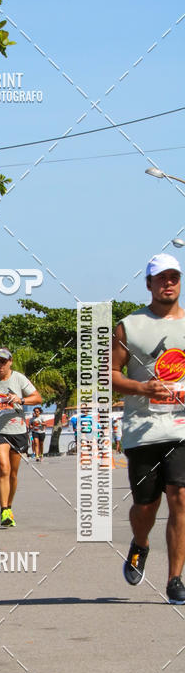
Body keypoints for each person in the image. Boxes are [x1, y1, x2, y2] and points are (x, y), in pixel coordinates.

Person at [112, 253, 185, 604]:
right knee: (146, 505)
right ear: (149, 284)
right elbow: (108, 375)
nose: (168, 283)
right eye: (161, 278)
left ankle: (175, 579)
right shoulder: (129, 325)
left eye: (174, 277)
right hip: (142, 429)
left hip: (181, 428)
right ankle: (140, 543)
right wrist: (142, 388)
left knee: (180, 497)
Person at [0, 347, 42, 527]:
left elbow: (38, 398)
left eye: (2, 361)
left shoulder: (19, 379)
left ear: (10, 362)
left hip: (18, 430)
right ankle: (4, 509)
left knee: (13, 473)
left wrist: (20, 400)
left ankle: (9, 507)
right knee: (4, 468)